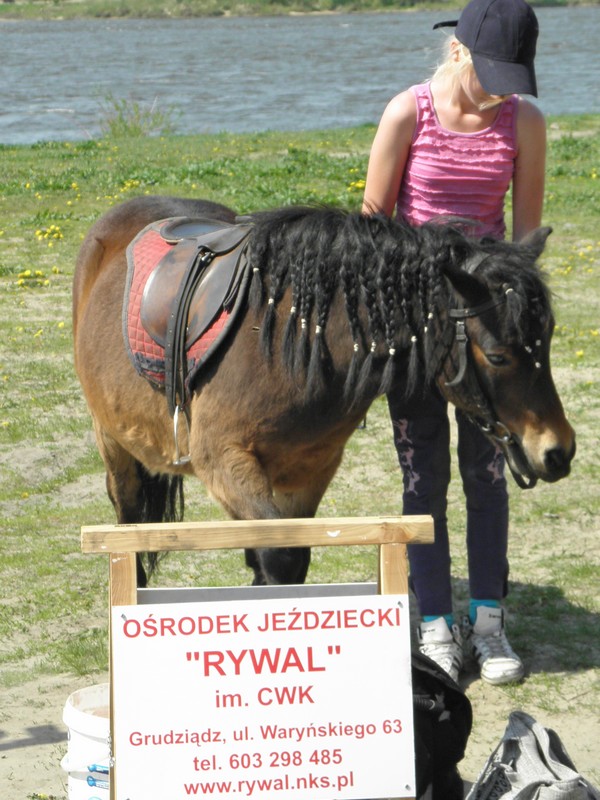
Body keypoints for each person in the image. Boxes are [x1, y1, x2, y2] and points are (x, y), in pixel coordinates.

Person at [362, 0, 546, 685]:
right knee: (423, 477)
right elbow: (373, 231)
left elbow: (523, 244)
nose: (500, 90)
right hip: (417, 329)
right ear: (458, 51)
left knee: (487, 473)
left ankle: (489, 623)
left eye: (512, 77)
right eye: (490, 73)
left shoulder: (525, 122)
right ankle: (436, 623)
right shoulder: (406, 113)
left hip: (488, 332)